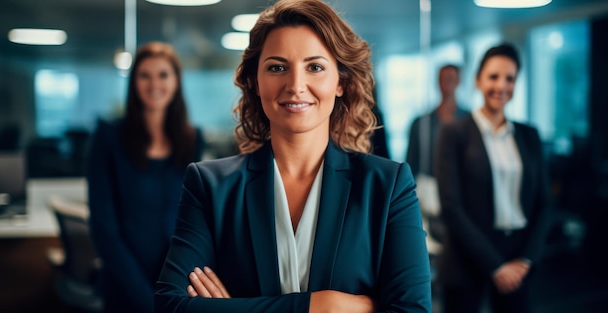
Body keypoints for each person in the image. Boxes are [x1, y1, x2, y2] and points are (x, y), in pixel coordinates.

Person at [154, 0, 432, 312]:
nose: (296, 85)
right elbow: (171, 306)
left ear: (340, 82)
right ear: (255, 82)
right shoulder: (210, 186)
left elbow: (412, 309)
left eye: (315, 67)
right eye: (277, 67)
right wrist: (320, 306)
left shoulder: (387, 185)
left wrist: (238, 308)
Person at [87, 41, 205, 313]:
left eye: (163, 74)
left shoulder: (191, 140)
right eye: (145, 75)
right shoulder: (108, 138)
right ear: (133, 82)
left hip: (177, 281)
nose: (154, 84)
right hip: (124, 283)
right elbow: (104, 228)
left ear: (176, 81)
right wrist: (145, 297)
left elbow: (193, 218)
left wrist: (176, 285)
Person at [434, 43, 552, 313]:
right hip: (468, 258)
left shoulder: (529, 135)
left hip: (518, 257)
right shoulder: (454, 133)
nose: (501, 85)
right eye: (493, 76)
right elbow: (451, 207)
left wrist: (526, 259)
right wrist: (496, 266)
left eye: (509, 78)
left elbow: (544, 203)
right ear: (478, 80)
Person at [405, 64, 469, 251]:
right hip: (429, 192)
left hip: (462, 191)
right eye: (443, 79)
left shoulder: (469, 121)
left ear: (458, 82)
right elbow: (411, 163)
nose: (447, 83)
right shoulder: (422, 122)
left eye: (451, 78)